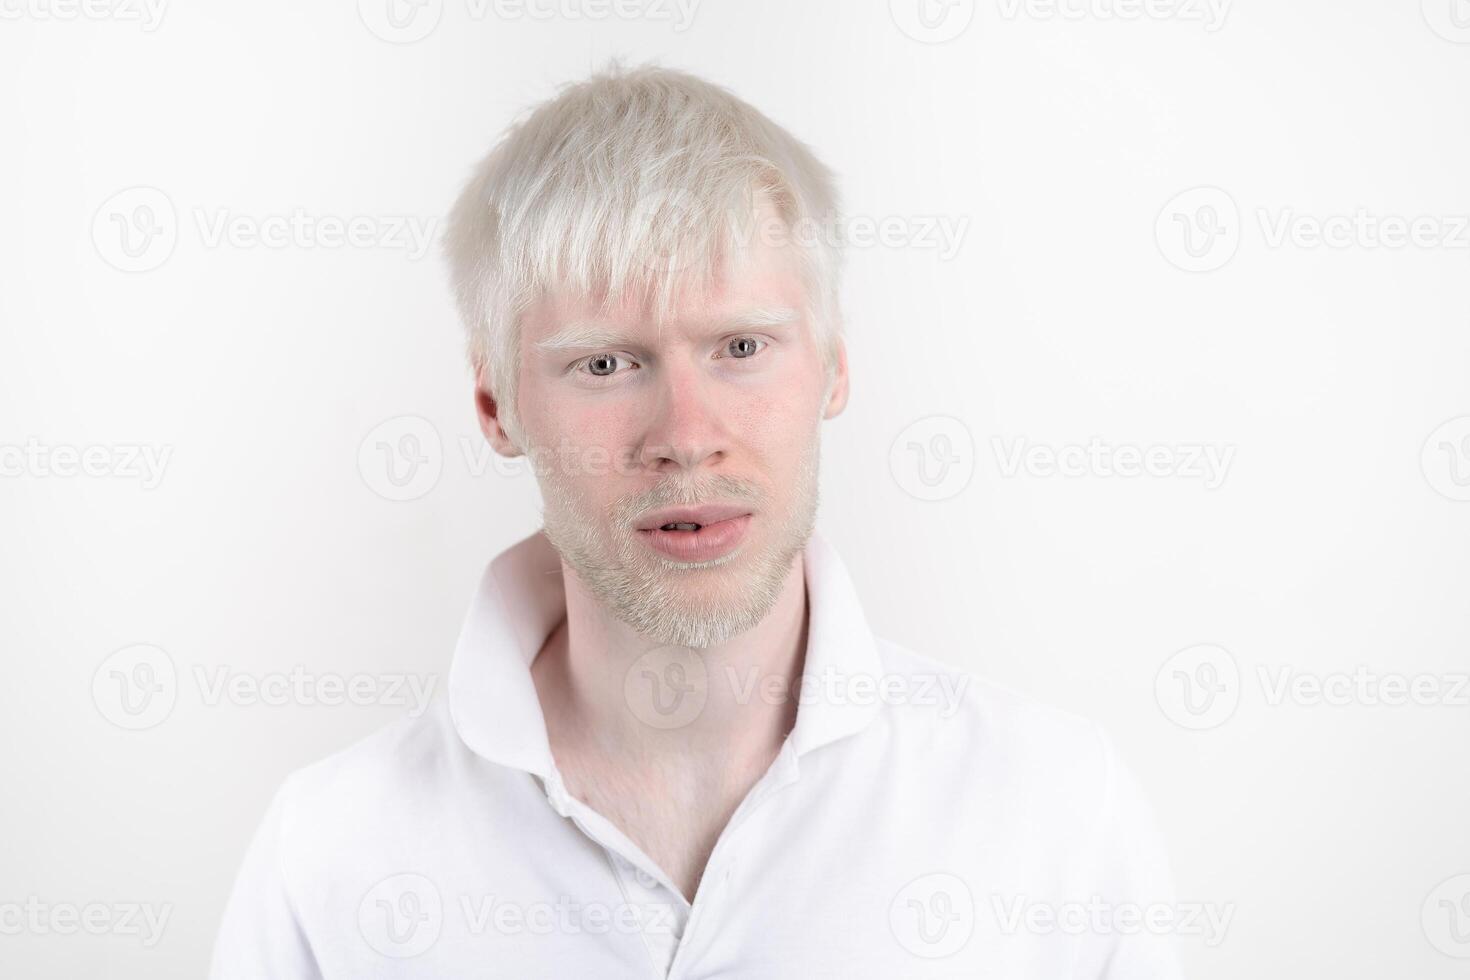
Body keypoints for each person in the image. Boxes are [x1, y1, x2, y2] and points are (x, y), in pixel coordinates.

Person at [209, 61, 1182, 978]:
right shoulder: (330, 856)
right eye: (605, 363)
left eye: (742, 345)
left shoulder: (1054, 814)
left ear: (836, 365)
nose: (685, 436)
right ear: (495, 404)